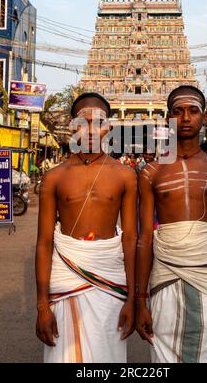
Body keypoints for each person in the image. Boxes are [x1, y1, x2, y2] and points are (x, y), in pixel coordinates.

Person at [136, 85, 207, 364]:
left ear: (204, 118)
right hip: (164, 278)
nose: (185, 118)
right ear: (168, 118)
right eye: (178, 111)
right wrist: (139, 299)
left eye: (193, 111)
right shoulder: (150, 172)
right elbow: (144, 238)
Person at [36, 93, 138, 363]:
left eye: (99, 122)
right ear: (73, 127)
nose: (91, 129)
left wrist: (133, 298)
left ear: (109, 127)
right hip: (66, 276)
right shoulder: (54, 177)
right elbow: (44, 242)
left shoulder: (125, 175)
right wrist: (42, 306)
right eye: (84, 122)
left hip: (110, 279)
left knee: (108, 356)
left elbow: (130, 238)